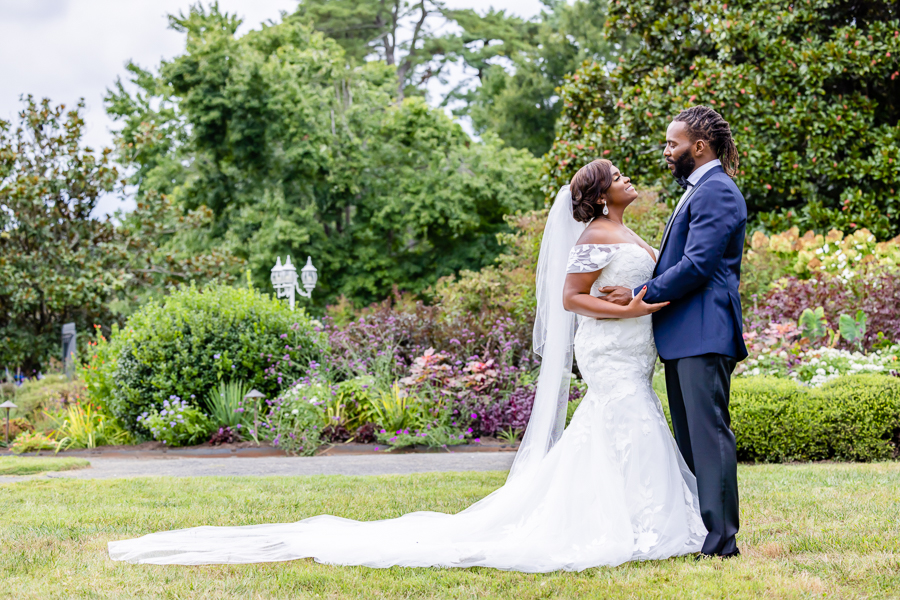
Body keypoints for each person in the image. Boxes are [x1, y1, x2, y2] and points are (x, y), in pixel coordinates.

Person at [107, 159, 708, 572]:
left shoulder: (626, 233)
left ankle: (643, 515)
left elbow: (622, 289)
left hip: (630, 348)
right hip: (608, 351)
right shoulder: (595, 236)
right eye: (619, 177)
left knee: (625, 423)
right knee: (621, 420)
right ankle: (638, 523)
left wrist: (628, 300)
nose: (631, 179)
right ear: (601, 193)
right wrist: (615, 307)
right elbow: (569, 300)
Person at [600, 105, 748, 558]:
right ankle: (700, 530)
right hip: (684, 334)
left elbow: (699, 265)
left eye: (672, 143)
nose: (666, 151)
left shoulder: (717, 191)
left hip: (705, 331)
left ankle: (722, 542)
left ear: (698, 147)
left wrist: (640, 293)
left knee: (708, 436)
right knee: (690, 440)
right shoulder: (697, 191)